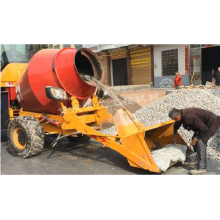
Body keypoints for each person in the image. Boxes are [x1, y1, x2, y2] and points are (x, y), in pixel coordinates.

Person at [168, 107, 220, 175]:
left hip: (211, 123)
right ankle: (198, 160)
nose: (175, 120)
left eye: (174, 119)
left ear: (177, 117)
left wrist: (196, 139)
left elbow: (204, 129)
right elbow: (176, 125)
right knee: (194, 141)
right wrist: (174, 135)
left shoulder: (189, 117)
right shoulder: (181, 115)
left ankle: (201, 168)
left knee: (200, 141)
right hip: (203, 125)